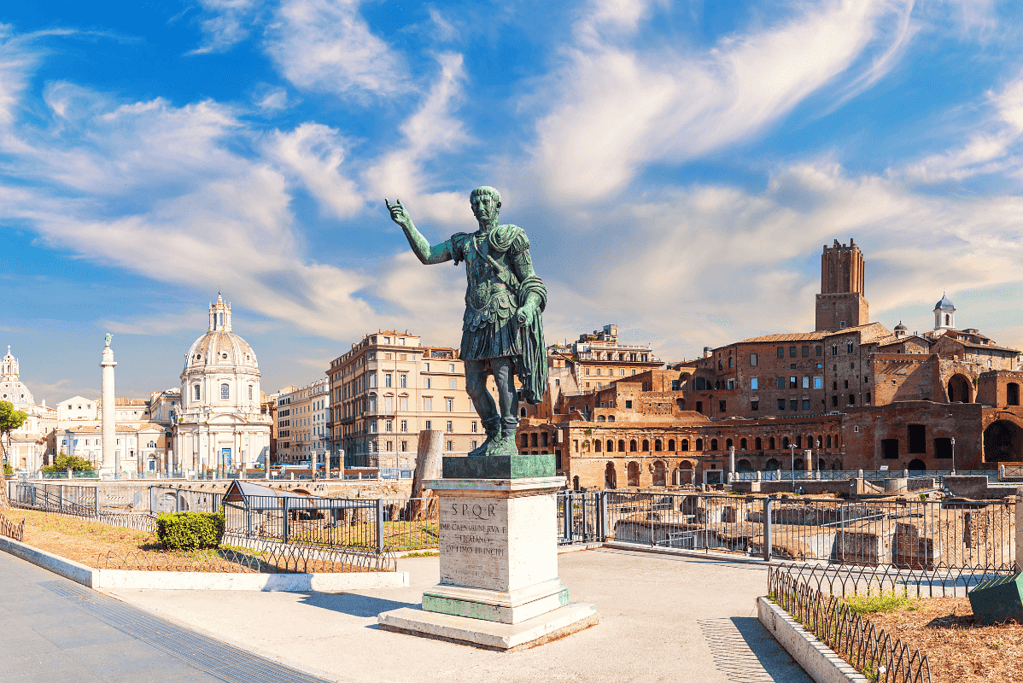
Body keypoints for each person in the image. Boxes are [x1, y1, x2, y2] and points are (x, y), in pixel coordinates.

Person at [386, 186, 547, 456]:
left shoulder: (511, 236)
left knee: (503, 378)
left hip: (501, 314)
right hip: (474, 317)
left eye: (486, 203)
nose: (480, 208)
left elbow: (530, 279)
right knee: (472, 385)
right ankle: (492, 434)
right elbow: (428, 255)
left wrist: (529, 307)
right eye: (476, 204)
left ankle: (508, 438)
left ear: (497, 206)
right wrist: (407, 225)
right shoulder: (465, 242)